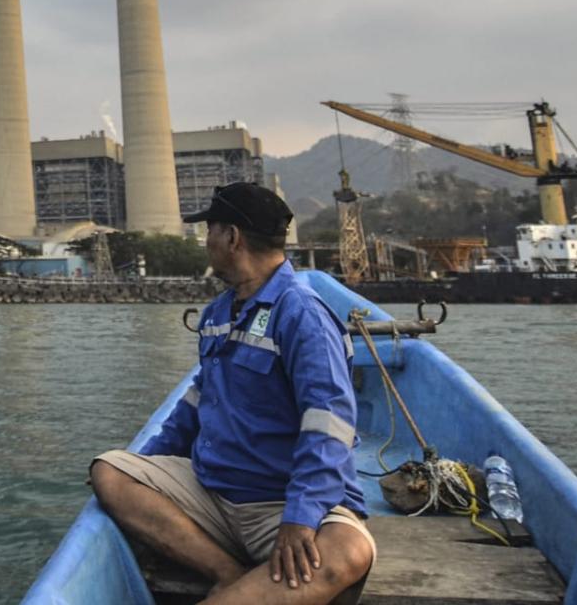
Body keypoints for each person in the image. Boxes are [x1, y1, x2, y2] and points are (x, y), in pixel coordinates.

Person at [89, 183, 376, 604]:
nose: (207, 243)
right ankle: (229, 574)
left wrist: (300, 517)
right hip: (214, 493)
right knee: (110, 472)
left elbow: (328, 424)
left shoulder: (302, 315)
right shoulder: (219, 313)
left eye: (210, 231)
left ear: (232, 238)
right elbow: (196, 402)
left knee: (348, 552)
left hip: (281, 502)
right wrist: (145, 467)